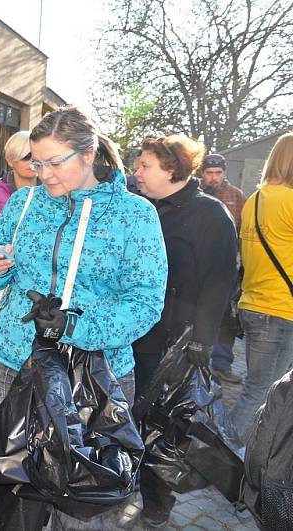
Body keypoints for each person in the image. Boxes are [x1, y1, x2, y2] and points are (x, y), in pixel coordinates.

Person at [0, 105, 167, 529]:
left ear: (88, 153)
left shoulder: (134, 216)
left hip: (94, 380)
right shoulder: (24, 203)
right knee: (6, 489)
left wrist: (76, 325)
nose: (43, 174)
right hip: (9, 364)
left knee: (77, 503)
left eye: (53, 162)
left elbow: (145, 302)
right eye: (36, 163)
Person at [131, 134, 238, 528]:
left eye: (145, 165)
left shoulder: (210, 214)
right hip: (133, 333)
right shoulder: (141, 207)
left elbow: (220, 281)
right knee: (131, 412)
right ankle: (125, 476)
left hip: (176, 342)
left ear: (172, 169)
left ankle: (157, 496)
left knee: (166, 423)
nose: (137, 172)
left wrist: (201, 341)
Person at [228, 132, 293, 444]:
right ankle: (226, 458)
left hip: (253, 305)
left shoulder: (255, 199)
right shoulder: (290, 202)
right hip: (280, 310)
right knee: (262, 392)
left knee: (256, 387)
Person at [200, 153, 247, 383]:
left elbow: (244, 233)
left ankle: (221, 364)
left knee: (227, 319)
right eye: (209, 173)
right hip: (199, 265)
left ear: (224, 173)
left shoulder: (236, 196)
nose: (213, 178)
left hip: (228, 266)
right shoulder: (195, 193)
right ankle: (194, 363)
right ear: (202, 174)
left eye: (218, 173)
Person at [0, 130, 39, 231]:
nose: (32, 162)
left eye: (36, 156)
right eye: (26, 157)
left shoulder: (53, 191)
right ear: (10, 161)